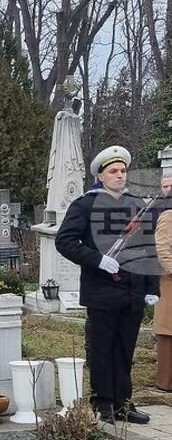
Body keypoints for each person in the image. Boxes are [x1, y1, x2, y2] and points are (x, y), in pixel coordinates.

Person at [55, 145, 159, 423]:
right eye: (113, 171)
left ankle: (123, 403)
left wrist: (152, 287)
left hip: (133, 292)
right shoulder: (85, 205)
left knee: (125, 350)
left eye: (123, 170)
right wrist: (98, 260)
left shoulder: (136, 204)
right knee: (102, 350)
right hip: (102, 291)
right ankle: (103, 404)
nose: (120, 175)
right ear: (100, 176)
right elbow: (65, 241)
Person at [153, 174, 172, 392]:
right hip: (169, 283)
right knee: (168, 332)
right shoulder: (168, 216)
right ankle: (165, 382)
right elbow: (163, 250)